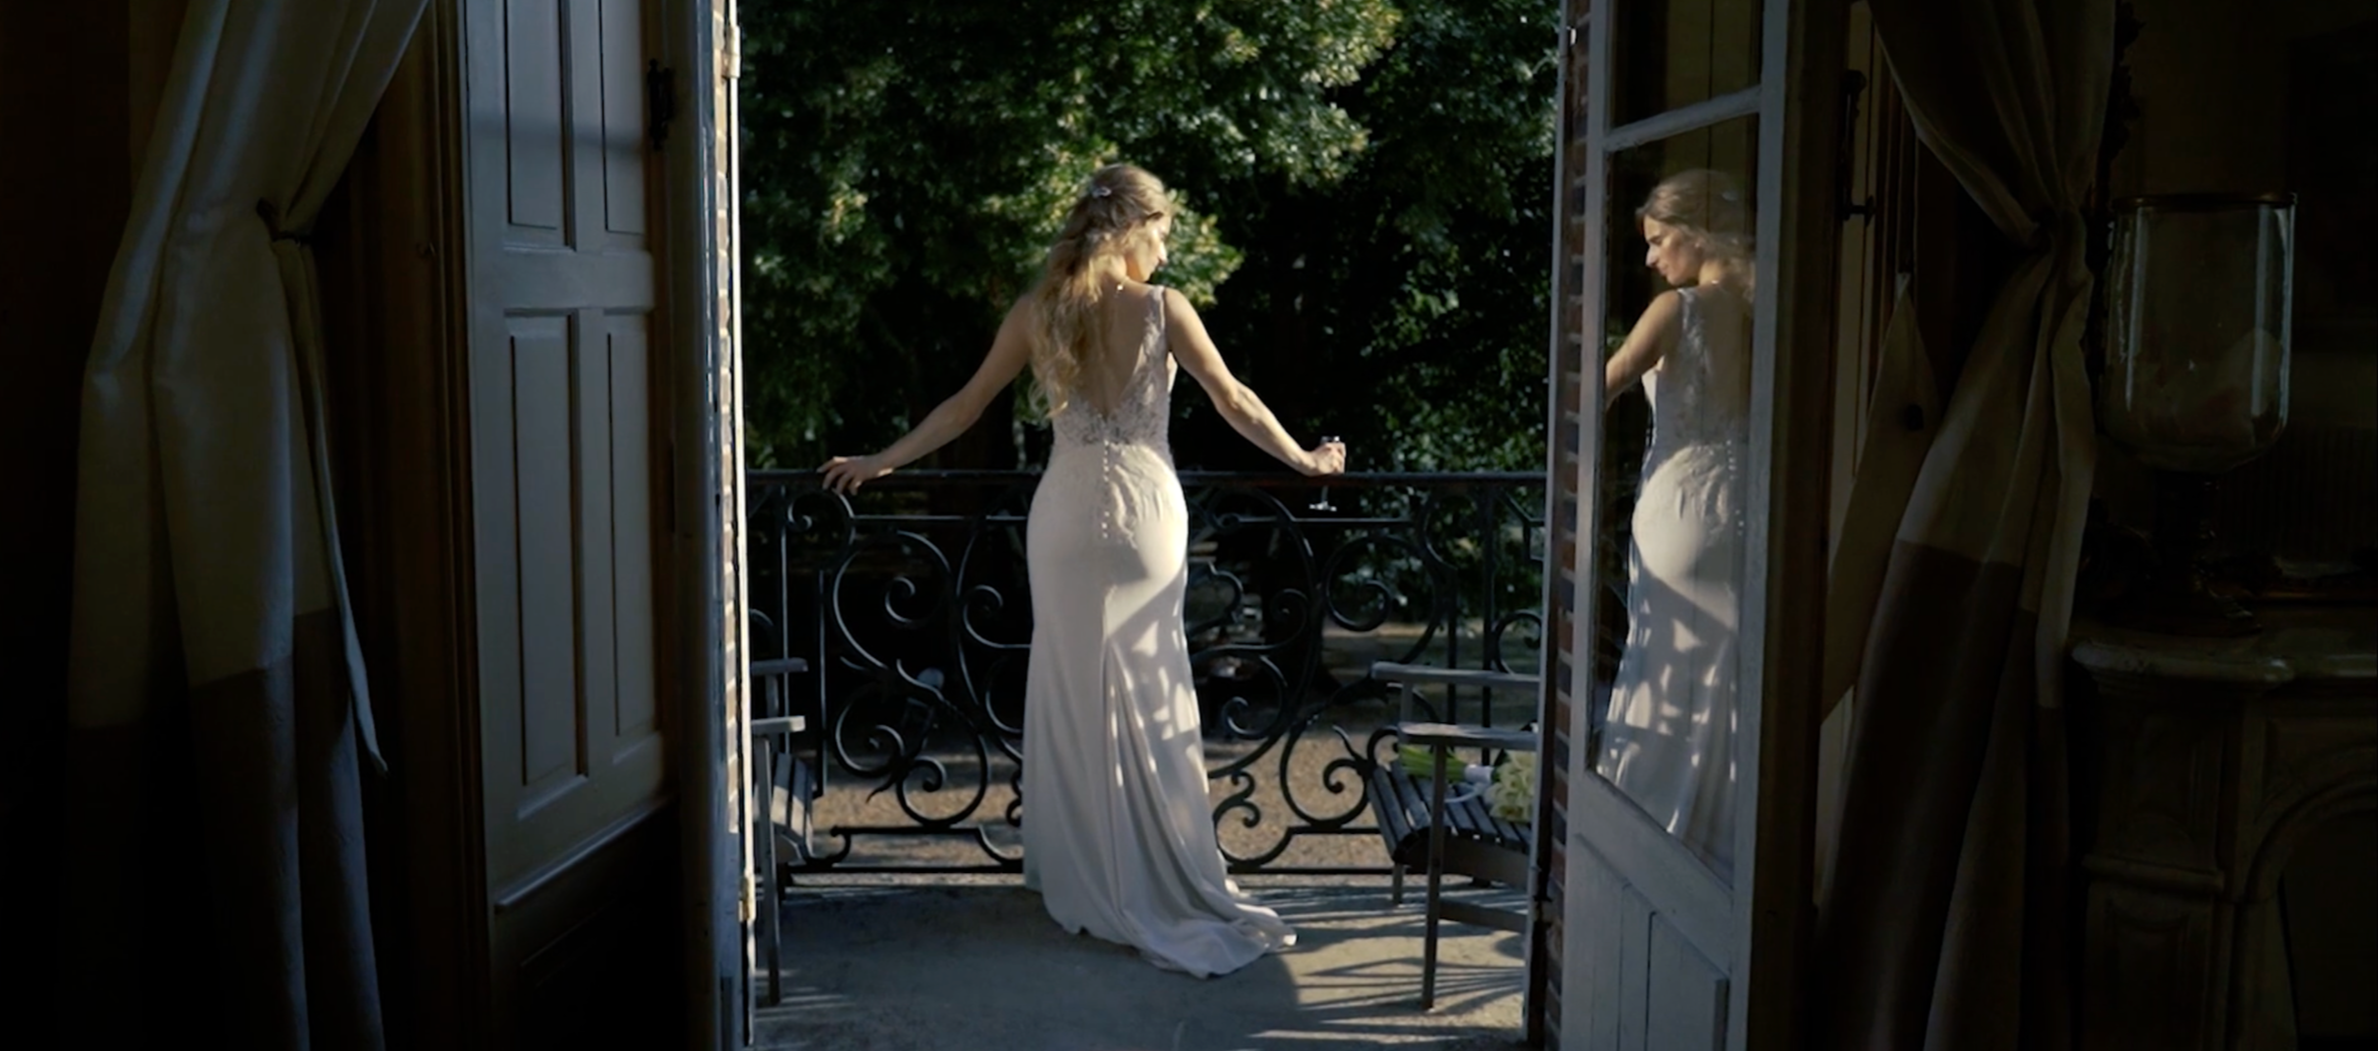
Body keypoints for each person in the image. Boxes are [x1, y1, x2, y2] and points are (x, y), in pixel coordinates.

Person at [820, 163, 1343, 976]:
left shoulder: (1040, 310)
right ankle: (1152, 866)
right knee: (1147, 682)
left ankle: (1084, 873)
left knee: (1071, 686)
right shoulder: (1164, 310)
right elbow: (1234, 399)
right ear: (1134, 226)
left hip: (1063, 513)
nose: (1166, 250)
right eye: (1163, 231)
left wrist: (883, 459)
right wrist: (1305, 459)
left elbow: (965, 406)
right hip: (1143, 514)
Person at [1591, 168, 1755, 880]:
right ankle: (1719, 849)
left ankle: (1651, 841)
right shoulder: (1766, 307)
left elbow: (1599, 385)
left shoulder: (1679, 308)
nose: (1652, 258)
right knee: (1724, 674)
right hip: (1745, 508)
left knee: (1664, 662)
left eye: (1659, 241)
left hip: (1683, 506)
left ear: (1695, 233)